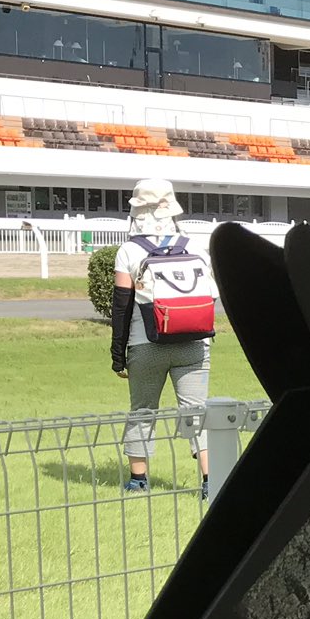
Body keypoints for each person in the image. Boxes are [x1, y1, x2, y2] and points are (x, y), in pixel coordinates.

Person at [110, 178, 211, 496]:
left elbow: (121, 306)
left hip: (146, 344)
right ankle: (210, 482)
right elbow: (209, 297)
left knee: (142, 410)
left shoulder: (129, 250)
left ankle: (138, 482)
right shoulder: (194, 247)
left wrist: (118, 355)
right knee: (196, 411)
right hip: (194, 343)